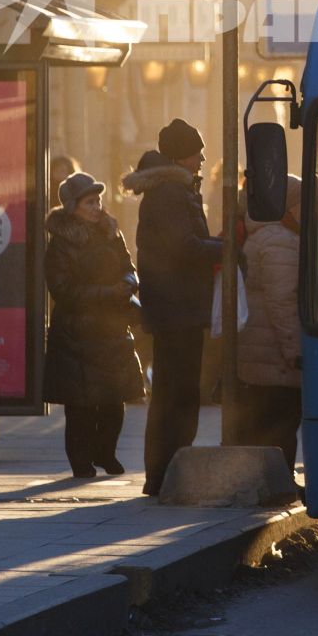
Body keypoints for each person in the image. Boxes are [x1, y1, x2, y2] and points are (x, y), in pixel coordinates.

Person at [126, 120, 221, 496]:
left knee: (174, 392)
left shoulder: (174, 190)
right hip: (176, 307)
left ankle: (166, 472)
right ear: (181, 155)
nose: (202, 158)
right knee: (177, 393)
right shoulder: (170, 193)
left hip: (175, 307)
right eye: (196, 151)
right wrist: (224, 248)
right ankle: (166, 473)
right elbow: (185, 245)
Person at [44, 172, 145, 478]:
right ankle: (81, 460)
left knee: (115, 401)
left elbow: (129, 267)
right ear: (73, 206)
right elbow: (62, 290)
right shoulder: (60, 244)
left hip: (112, 329)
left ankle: (105, 451)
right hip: (77, 334)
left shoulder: (111, 233)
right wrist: (106, 293)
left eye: (98, 200)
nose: (96, 206)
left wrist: (128, 284)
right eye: (89, 201)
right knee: (81, 406)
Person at [235, 174, 303, 478]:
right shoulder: (280, 240)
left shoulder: (264, 234)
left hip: (259, 352)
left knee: (265, 426)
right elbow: (283, 302)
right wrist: (295, 350)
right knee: (282, 426)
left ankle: (269, 483)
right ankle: (279, 484)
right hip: (274, 356)